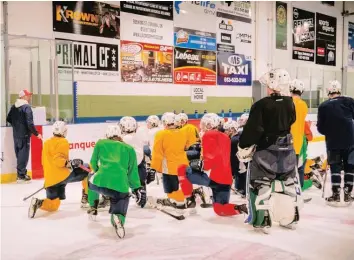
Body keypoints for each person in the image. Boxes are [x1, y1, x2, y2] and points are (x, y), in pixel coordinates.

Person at [237, 69, 300, 232]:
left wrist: (243, 145)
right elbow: (292, 120)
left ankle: (263, 218)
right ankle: (292, 216)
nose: (266, 88)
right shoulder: (289, 102)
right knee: (288, 181)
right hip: (287, 148)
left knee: (260, 182)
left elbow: (254, 129)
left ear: (273, 84)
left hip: (266, 150)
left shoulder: (261, 104)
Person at [177, 113, 248, 217]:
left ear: (209, 125)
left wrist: (198, 164)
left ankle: (189, 199)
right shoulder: (226, 137)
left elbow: (209, 159)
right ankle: (242, 208)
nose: (202, 127)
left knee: (181, 169)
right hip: (226, 179)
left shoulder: (209, 135)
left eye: (204, 124)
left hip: (213, 178)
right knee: (220, 209)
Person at [87, 125, 146, 238]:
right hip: (119, 187)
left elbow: (93, 164)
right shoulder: (129, 149)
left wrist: (99, 172)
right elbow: (132, 173)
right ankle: (117, 217)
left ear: (107, 135)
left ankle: (93, 207)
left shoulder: (100, 143)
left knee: (90, 179)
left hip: (99, 183)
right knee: (122, 198)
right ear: (120, 135)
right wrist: (136, 188)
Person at [28, 121, 89, 218]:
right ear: (64, 131)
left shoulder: (47, 142)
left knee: (53, 205)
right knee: (88, 170)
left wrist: (48, 180)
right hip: (62, 176)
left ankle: (38, 203)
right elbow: (58, 160)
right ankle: (86, 198)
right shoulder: (63, 142)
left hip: (50, 180)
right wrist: (70, 163)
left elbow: (45, 162)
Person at [317, 80, 354, 205]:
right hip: (350, 140)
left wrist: (330, 131)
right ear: (339, 91)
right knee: (350, 166)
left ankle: (336, 194)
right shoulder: (349, 101)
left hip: (333, 142)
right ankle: (348, 193)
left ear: (328, 92)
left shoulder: (323, 106)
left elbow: (320, 128)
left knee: (335, 167)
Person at [150, 112, 192, 215]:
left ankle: (178, 201)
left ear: (164, 122)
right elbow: (187, 146)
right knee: (180, 184)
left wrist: (153, 168)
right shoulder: (183, 132)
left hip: (169, 166)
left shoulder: (161, 134)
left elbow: (157, 153)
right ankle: (182, 199)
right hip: (183, 164)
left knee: (171, 187)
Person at [6, 90, 42, 183]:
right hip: (24, 134)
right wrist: (36, 133)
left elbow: (8, 118)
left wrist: (17, 126)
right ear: (23, 97)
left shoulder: (14, 106)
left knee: (19, 154)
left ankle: (21, 174)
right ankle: (21, 176)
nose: (29, 97)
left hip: (16, 134)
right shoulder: (26, 107)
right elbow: (30, 123)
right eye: (28, 95)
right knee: (24, 155)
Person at [290, 79, 308, 188]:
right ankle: (299, 191)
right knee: (300, 168)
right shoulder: (304, 105)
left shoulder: (287, 102)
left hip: (286, 142)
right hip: (299, 143)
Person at [224, 120, 246, 197]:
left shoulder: (233, 140)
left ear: (232, 129)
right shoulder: (239, 137)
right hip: (242, 163)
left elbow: (232, 157)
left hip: (239, 164)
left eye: (227, 129)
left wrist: (232, 171)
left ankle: (242, 190)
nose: (225, 131)